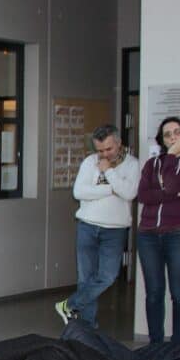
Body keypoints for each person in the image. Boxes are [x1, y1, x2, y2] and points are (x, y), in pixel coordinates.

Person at [55, 125, 140, 327]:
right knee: (85, 279)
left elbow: (129, 193)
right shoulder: (89, 162)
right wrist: (111, 190)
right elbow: (79, 192)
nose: (104, 155)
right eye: (100, 150)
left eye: (108, 149)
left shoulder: (132, 165)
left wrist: (109, 172)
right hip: (87, 226)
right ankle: (87, 327)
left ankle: (69, 304)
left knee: (108, 276)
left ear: (119, 144)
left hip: (115, 230)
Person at [137, 116, 180, 343]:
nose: (172, 137)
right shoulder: (151, 164)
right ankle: (155, 345)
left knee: (179, 293)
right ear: (161, 140)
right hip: (148, 234)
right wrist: (173, 193)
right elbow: (144, 196)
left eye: (177, 132)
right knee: (154, 293)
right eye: (167, 134)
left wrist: (173, 160)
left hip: (179, 234)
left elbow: (172, 184)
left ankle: (178, 346)